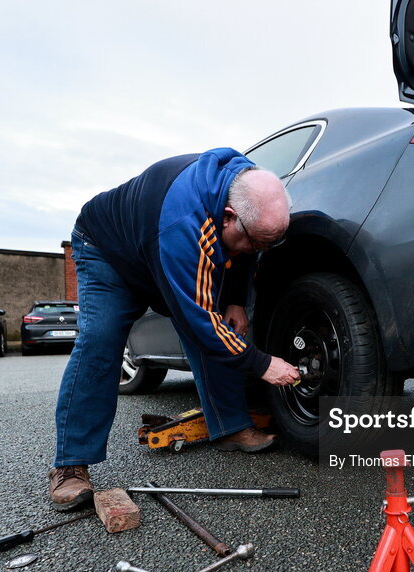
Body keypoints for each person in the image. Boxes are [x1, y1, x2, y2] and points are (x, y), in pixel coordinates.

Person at [48, 148, 300, 511]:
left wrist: (235, 300)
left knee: (219, 324)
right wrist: (262, 363)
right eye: (254, 239)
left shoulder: (247, 189)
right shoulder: (184, 223)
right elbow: (200, 320)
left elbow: (246, 249)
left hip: (157, 243)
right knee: (101, 342)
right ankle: (70, 465)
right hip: (109, 254)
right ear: (227, 217)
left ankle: (230, 426)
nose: (255, 249)